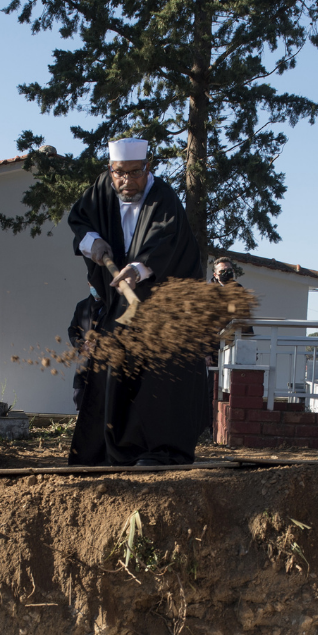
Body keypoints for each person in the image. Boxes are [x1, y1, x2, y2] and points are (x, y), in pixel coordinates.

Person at [67, 138, 206, 467]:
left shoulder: (164, 198)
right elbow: (79, 221)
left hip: (165, 300)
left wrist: (140, 268)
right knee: (112, 368)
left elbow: (166, 241)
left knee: (162, 373)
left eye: (134, 172)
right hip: (123, 301)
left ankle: (163, 452)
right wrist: (93, 242)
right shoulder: (101, 189)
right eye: (120, 173)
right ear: (110, 170)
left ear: (149, 166)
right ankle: (110, 452)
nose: (127, 181)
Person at [68, 285, 101, 411]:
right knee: (80, 398)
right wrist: (81, 344)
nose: (94, 287)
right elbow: (72, 330)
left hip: (104, 363)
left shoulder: (111, 305)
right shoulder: (82, 305)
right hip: (84, 362)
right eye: (91, 284)